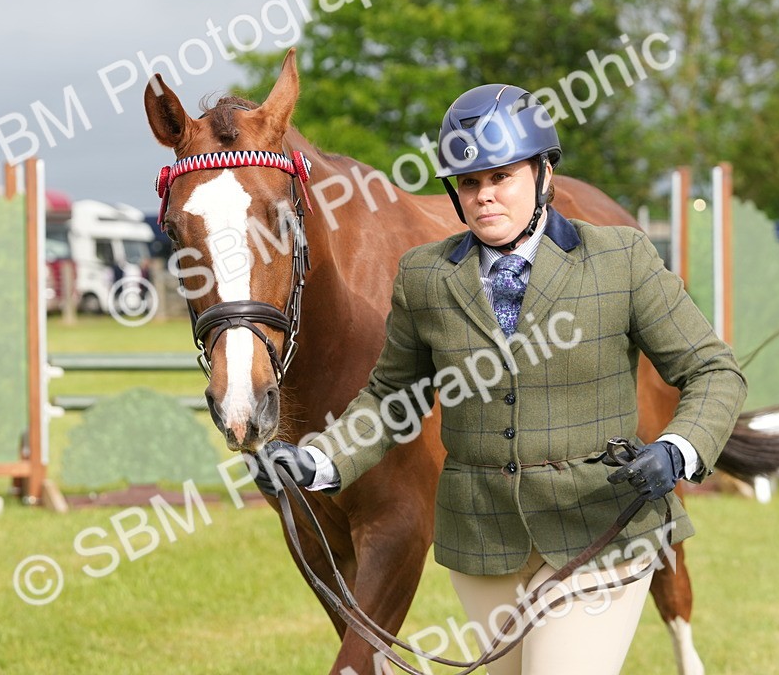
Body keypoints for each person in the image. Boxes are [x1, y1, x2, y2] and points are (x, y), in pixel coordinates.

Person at [252, 84, 746, 675]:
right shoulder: (426, 277)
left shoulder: (623, 259)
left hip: (599, 527)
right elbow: (389, 400)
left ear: (543, 174)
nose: (483, 195)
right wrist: (318, 461)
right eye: (468, 183)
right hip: (484, 545)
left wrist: (678, 448)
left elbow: (713, 370)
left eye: (501, 177)